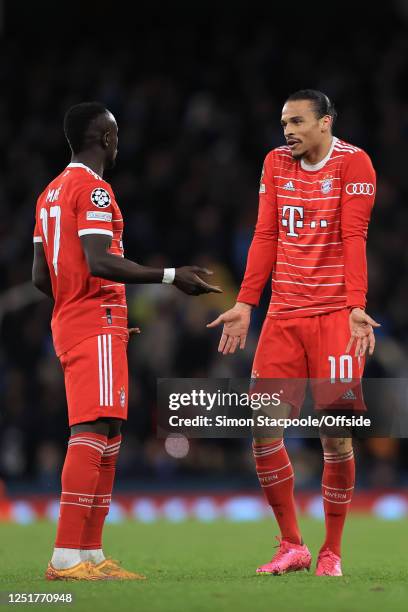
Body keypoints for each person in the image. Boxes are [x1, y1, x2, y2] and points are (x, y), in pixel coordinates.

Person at [32, 102, 221, 581]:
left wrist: (82, 301)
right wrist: (171, 275)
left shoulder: (49, 193)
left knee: (111, 433)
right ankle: (64, 557)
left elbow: (41, 276)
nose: (119, 141)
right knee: (91, 429)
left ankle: (90, 554)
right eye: (116, 133)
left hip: (87, 320)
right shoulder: (93, 190)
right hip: (92, 321)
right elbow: (99, 260)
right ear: (105, 138)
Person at [208, 89, 379, 577]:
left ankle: (333, 551)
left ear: (325, 122)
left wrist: (356, 307)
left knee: (337, 438)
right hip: (282, 317)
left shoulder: (355, 164)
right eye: (284, 122)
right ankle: (292, 545)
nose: (288, 131)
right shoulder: (276, 163)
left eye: (299, 121)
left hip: (334, 321)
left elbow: (355, 237)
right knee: (262, 429)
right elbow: (265, 235)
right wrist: (245, 304)